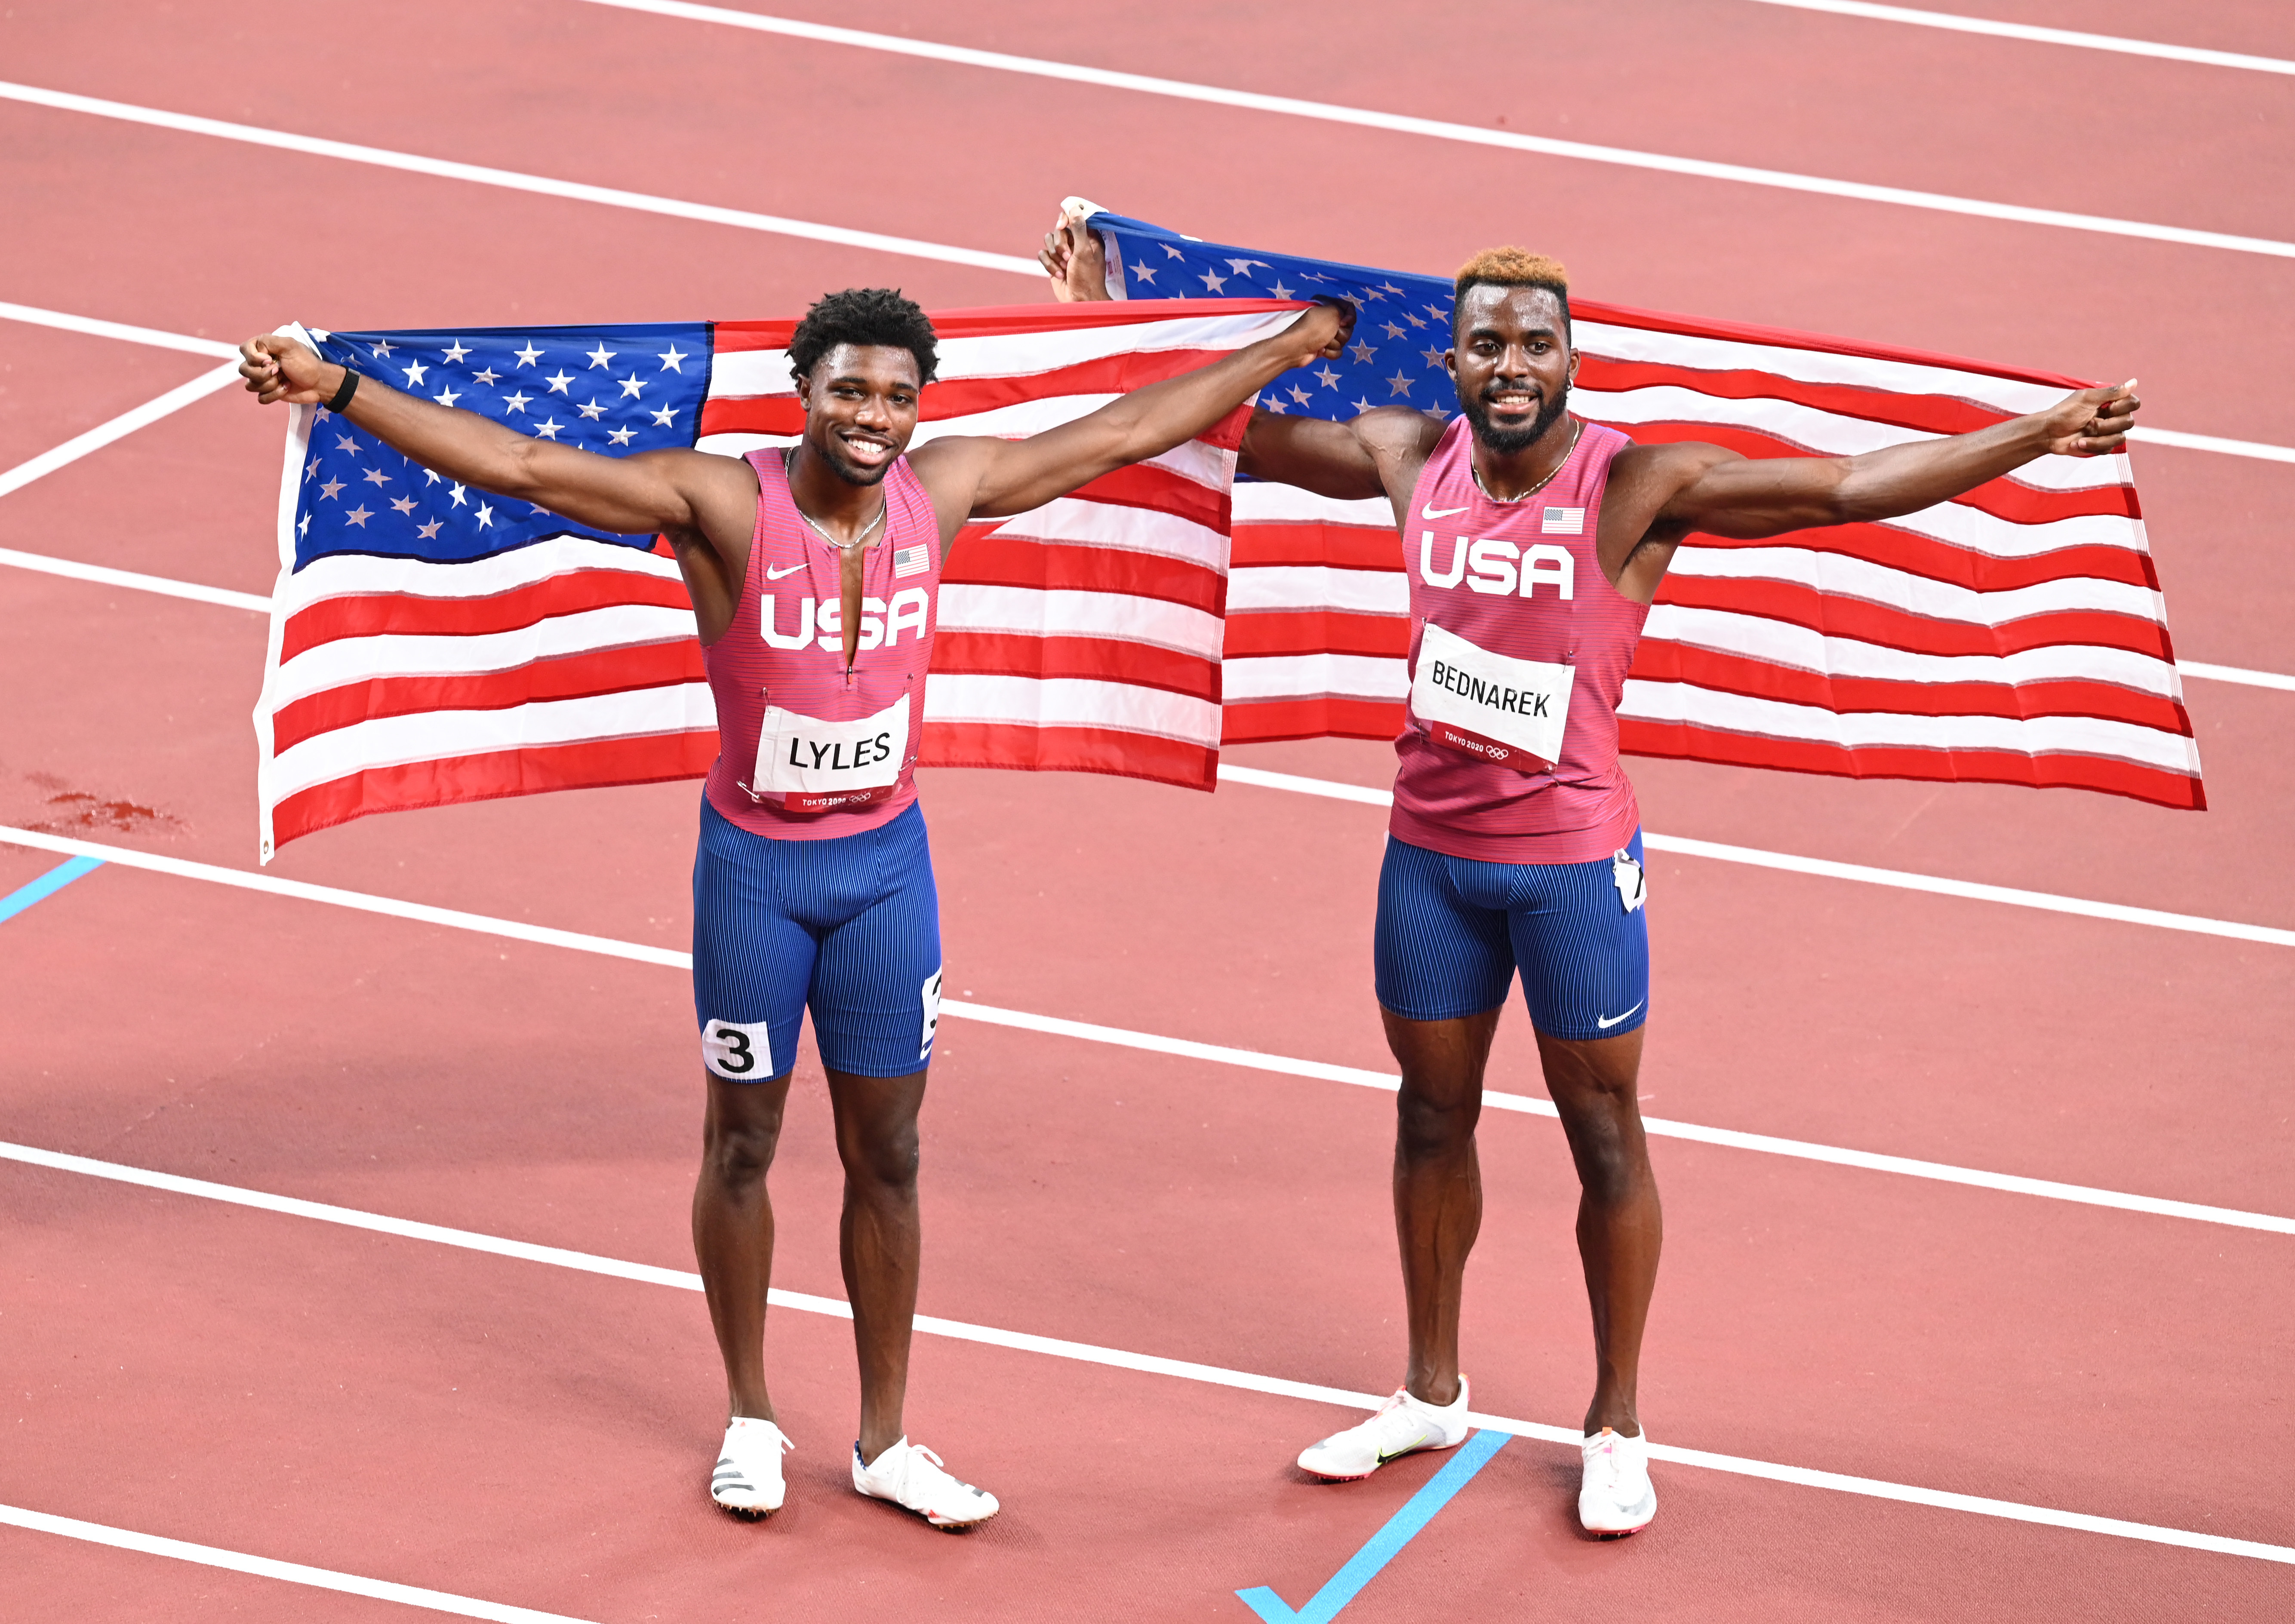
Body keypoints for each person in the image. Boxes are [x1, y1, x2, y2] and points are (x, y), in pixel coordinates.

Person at [1043, 221, 2140, 1535]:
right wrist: (1106, 323)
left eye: (1538, 344)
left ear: (1574, 358)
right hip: (1431, 861)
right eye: (1490, 343)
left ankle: (1616, 1421)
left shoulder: (1637, 487)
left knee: (1604, 1134)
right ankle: (1429, 1388)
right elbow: (1226, 429)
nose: (1514, 365)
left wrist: (2033, 436)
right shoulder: (1409, 455)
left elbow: (1849, 488)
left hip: (1569, 869)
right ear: (1452, 358)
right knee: (1427, 1115)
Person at [239, 287, 1353, 1529]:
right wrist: (337, 387)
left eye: (895, 396)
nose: (873, 417)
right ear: (804, 394)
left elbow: (1123, 431)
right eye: (849, 392)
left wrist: (1284, 347)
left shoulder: (949, 486)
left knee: (894, 1153)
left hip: (886, 876)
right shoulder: (724, 502)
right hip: (757, 881)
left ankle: (886, 1437)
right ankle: (753, 1416)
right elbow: (529, 463)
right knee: (746, 1143)